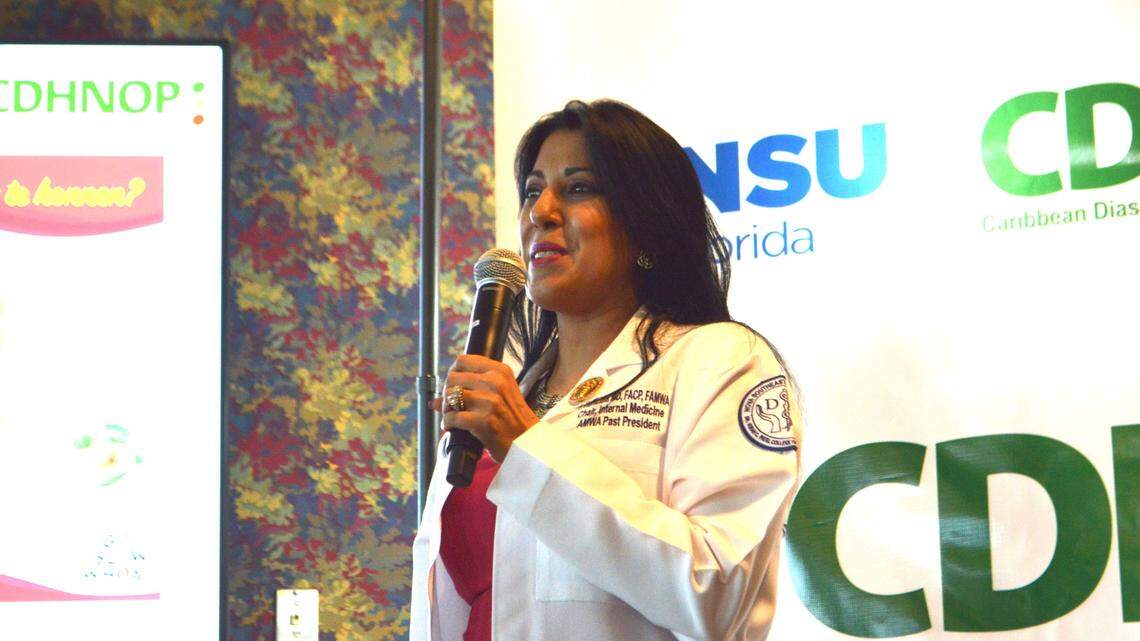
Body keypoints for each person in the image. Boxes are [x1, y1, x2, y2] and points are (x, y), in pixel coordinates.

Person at [410, 99, 802, 641]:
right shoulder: (512, 393)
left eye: (577, 189)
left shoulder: (720, 361)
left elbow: (717, 594)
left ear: (645, 225)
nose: (539, 212)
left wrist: (525, 447)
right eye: (532, 190)